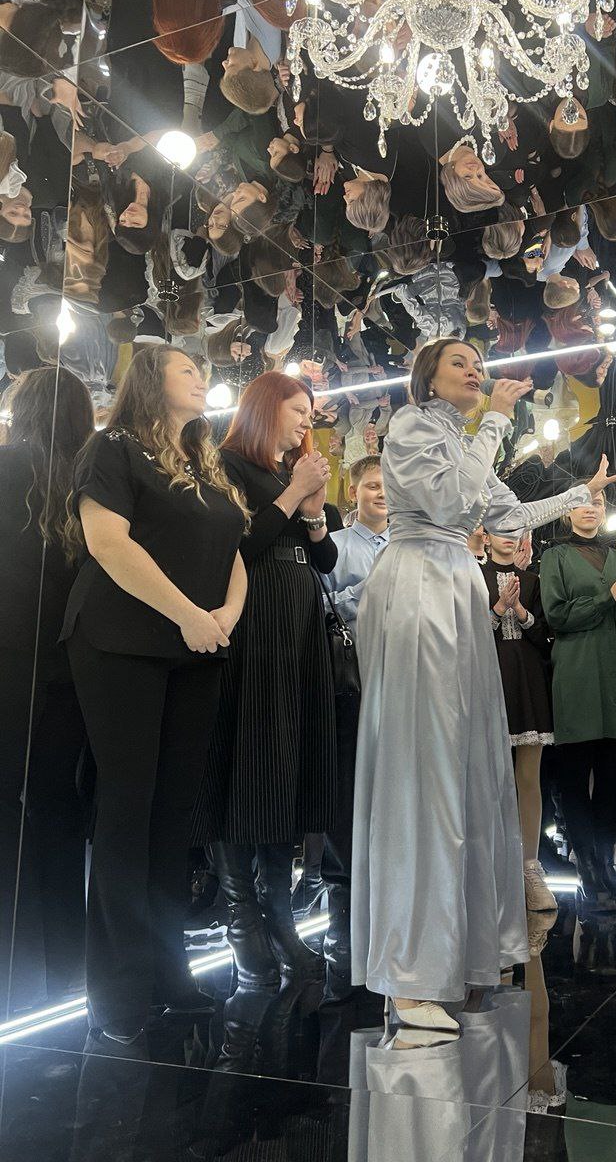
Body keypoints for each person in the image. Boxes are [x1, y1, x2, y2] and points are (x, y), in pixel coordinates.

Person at [351, 338, 616, 1036]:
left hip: (453, 587)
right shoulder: (411, 424)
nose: (475, 370)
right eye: (459, 363)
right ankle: (409, 972)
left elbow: (505, 515)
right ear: (427, 376)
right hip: (419, 584)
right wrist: (496, 420)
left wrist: (578, 496)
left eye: (478, 362)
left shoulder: (457, 437)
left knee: (465, 768)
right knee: (425, 769)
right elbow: (451, 499)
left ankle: (455, 951)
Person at [62, 345, 248, 1052]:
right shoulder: (111, 448)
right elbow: (108, 544)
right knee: (127, 808)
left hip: (196, 644)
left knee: (174, 814)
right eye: (187, 369)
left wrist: (224, 616)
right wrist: (188, 615)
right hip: (121, 640)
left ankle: (169, 971)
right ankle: (117, 989)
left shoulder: (204, 460)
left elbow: (233, 551)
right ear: (150, 380)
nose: (202, 378)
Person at [193, 371, 337, 989]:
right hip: (254, 628)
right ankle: (242, 919)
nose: (306, 420)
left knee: (289, 765)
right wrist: (293, 495)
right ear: (264, 409)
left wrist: (314, 513)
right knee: (247, 762)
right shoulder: (225, 464)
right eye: (297, 409)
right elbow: (236, 548)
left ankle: (279, 913)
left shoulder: (289, 473)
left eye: (309, 412)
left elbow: (324, 560)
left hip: (299, 629)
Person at [0, 367, 93, 1013]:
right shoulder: (89, 480)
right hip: (70, 670)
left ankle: (15, 963)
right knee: (60, 811)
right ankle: (65, 959)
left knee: (5, 809)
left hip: (7, 665)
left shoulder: (8, 467)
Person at [539, 488, 616, 917]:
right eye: (582, 503)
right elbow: (558, 616)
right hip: (575, 672)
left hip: (615, 673)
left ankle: (606, 867)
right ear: (567, 513)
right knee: (573, 777)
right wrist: (611, 595)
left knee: (610, 778)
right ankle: (586, 867)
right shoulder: (555, 557)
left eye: (598, 504)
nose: (590, 509)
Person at [315, 454, 391, 1000]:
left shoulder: (410, 545)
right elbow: (323, 607)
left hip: (403, 683)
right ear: (354, 490)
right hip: (352, 682)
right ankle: (342, 886)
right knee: (346, 784)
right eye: (371, 485)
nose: (381, 493)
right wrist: (371, 590)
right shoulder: (337, 546)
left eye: (389, 486)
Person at [482, 530, 556, 916]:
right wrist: (498, 609)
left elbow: (546, 637)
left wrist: (523, 613)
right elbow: (468, 636)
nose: (508, 537)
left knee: (529, 776)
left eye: (515, 531)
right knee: (488, 778)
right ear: (486, 534)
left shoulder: (533, 580)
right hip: (489, 680)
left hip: (528, 680)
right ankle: (490, 867)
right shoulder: (472, 576)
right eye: (501, 529)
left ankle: (530, 867)